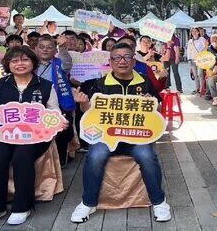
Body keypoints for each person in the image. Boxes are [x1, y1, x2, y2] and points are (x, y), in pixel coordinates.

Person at [0, 46, 64, 225]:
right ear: (8, 64)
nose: (20, 64)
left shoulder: (45, 85)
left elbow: (54, 110)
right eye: (15, 61)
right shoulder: (0, 84)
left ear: (33, 62)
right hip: (4, 135)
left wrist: (59, 120)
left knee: (22, 157)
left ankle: (22, 206)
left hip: (35, 135)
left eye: (25, 60)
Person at [70, 42, 171, 223]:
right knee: (95, 155)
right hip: (107, 136)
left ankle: (159, 201)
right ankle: (88, 202)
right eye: (117, 57)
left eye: (126, 57)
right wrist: (83, 102)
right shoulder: (101, 84)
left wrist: (152, 104)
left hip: (137, 137)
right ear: (110, 61)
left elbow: (159, 107)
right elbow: (89, 112)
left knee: (147, 156)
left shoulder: (144, 81)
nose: (122, 61)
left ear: (134, 61)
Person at [34, 35, 75, 166]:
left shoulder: (60, 63)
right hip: (36, 102)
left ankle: (61, 158)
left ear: (54, 50)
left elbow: (67, 62)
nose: (45, 50)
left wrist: (63, 47)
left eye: (49, 47)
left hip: (59, 100)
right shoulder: (30, 63)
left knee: (63, 130)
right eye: (42, 47)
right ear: (35, 49)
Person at [186, 27, 208, 95]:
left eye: (195, 31)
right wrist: (189, 59)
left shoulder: (202, 39)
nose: (194, 32)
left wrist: (202, 54)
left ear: (198, 32)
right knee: (195, 75)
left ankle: (202, 89)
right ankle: (197, 88)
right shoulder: (190, 41)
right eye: (192, 31)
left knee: (200, 74)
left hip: (200, 59)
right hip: (192, 59)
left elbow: (206, 47)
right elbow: (188, 51)